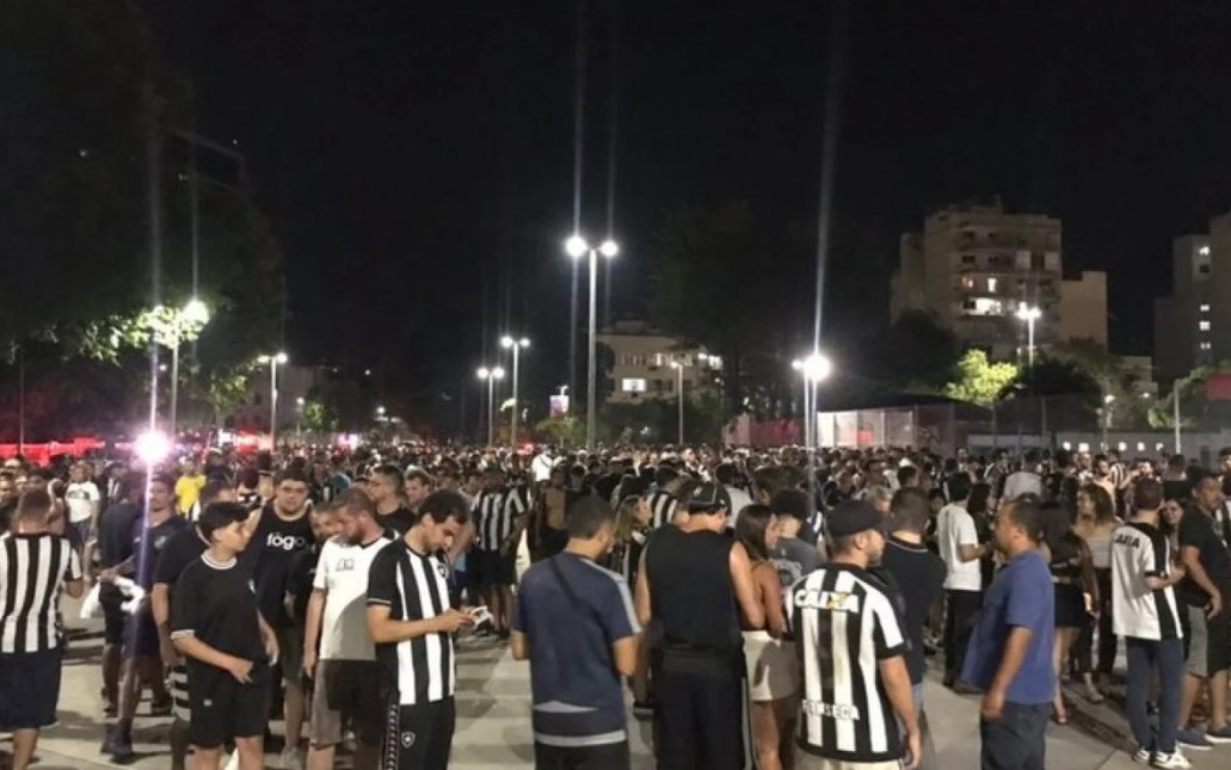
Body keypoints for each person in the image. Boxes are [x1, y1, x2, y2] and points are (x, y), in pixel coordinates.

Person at [635, 482, 764, 770]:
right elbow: (754, 616)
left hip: (670, 665)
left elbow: (642, 614)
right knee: (722, 753)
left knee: (676, 753)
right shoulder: (731, 550)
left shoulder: (654, 545)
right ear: (720, 512)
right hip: (718, 669)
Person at [785, 500, 921, 770]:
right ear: (861, 540)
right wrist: (912, 728)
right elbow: (893, 674)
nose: (884, 540)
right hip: (868, 745)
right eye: (879, 534)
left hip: (813, 736)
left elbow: (792, 662)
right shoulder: (875, 597)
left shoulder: (796, 592)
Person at [511, 495, 640, 770]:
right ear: (604, 533)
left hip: (547, 719)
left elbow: (519, 649)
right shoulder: (610, 584)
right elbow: (627, 664)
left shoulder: (532, 578)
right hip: (598, 723)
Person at [367, 489, 474, 770]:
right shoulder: (389, 561)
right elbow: (378, 629)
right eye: (446, 532)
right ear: (427, 519)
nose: (449, 543)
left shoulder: (438, 562)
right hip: (407, 696)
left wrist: (457, 619)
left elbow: (436, 615)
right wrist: (438, 623)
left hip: (443, 694)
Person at [171, 502, 279, 770]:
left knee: (252, 744)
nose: (245, 534)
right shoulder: (193, 577)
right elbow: (182, 638)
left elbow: (246, 604)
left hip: (251, 670)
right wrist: (230, 663)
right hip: (210, 678)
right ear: (217, 534)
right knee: (209, 750)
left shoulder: (243, 567)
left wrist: (266, 631)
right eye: (238, 529)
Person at [961, 499, 1055, 770]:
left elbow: (1021, 634)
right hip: (1026, 697)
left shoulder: (1025, 573)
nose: (993, 527)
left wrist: (999, 690)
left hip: (1016, 699)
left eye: (1000, 522)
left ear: (1018, 531)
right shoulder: (1024, 569)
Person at [302, 490, 393, 770]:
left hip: (374, 659)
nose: (337, 529)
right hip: (333, 657)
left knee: (369, 738)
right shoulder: (332, 547)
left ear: (363, 516)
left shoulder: (393, 549)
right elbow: (318, 596)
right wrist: (309, 649)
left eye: (344, 522)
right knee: (322, 738)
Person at [0, 489, 85, 770]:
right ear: (50, 513)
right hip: (42, 642)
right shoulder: (63, 549)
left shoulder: (2, 547)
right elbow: (76, 591)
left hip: (3, 641)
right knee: (30, 715)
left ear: (19, 512)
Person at [102, 472, 184, 760]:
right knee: (132, 666)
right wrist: (117, 570)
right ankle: (122, 731)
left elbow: (187, 574)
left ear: (172, 494)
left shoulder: (181, 530)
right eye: (150, 491)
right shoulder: (139, 524)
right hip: (139, 609)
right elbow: (139, 558)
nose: (153, 496)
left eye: (160, 491)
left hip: (172, 611)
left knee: (178, 669)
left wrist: (162, 597)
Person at [1112, 477, 1189, 769]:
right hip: (1158, 618)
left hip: (1130, 618)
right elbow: (1152, 580)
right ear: (1159, 503)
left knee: (1138, 683)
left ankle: (1145, 742)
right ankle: (1167, 748)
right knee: (1171, 685)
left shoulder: (1120, 534)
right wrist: (1177, 574)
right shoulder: (1153, 539)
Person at [245, 468, 314, 768]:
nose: (292, 496)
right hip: (259, 614)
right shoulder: (259, 517)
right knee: (255, 680)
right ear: (276, 489)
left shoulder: (311, 523)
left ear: (307, 494)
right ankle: (251, 739)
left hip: (293, 619)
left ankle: (290, 745)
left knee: (294, 681)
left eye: (299, 490)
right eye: (287, 489)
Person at [881, 488, 946, 770]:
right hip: (911, 659)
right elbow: (934, 617)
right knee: (910, 745)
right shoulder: (936, 566)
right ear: (927, 523)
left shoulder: (878, 557)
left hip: (873, 661)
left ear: (891, 515)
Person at [735, 505, 796, 770]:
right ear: (757, 531)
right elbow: (776, 622)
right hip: (765, 653)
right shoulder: (764, 571)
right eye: (772, 528)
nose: (777, 534)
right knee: (770, 746)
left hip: (739, 653)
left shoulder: (734, 563)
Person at [1175, 470, 1231, 745]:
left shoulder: (1216, 520)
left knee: (1219, 660)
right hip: (1202, 603)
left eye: (1218, 489)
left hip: (1221, 603)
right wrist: (1213, 592)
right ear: (1196, 492)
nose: (1216, 494)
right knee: (1197, 663)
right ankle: (1178, 725)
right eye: (1209, 489)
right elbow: (1189, 559)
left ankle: (1218, 721)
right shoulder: (1194, 520)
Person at [1041, 501, 1097, 726]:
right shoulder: (1079, 544)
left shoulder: (1044, 546)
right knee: (1063, 656)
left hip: (1054, 597)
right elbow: (1089, 574)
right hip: (1074, 597)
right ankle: (1057, 698)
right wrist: (1094, 600)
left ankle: (1058, 707)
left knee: (1053, 657)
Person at [95, 471, 144, 718]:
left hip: (108, 584)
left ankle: (111, 695)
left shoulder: (109, 513)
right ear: (136, 489)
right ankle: (126, 703)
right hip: (129, 585)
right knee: (132, 650)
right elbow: (137, 554)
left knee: (111, 641)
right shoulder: (137, 516)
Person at [935, 472, 985, 690]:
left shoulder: (944, 513)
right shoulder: (964, 518)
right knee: (964, 632)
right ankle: (963, 678)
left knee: (951, 630)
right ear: (969, 492)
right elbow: (967, 553)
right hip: (966, 581)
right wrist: (987, 548)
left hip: (949, 577)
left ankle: (950, 672)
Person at [1073, 483, 1119, 700]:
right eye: (1079, 499)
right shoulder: (1076, 529)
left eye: (1084, 499)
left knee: (1109, 629)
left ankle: (1105, 673)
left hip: (1109, 579)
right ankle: (1086, 675)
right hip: (1086, 581)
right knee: (1085, 629)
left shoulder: (1115, 526)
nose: (1080, 503)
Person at [369, 464, 415, 535]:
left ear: (392, 487)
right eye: (369, 483)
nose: (369, 488)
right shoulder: (366, 516)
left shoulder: (411, 522)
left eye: (376, 484)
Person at [65, 460, 102, 549]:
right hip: (72, 521)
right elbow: (67, 503)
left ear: (85, 474)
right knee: (75, 547)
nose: (78, 475)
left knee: (88, 546)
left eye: (80, 473)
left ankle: (85, 563)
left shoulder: (91, 487)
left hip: (85, 520)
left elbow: (95, 506)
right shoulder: (70, 487)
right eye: (75, 473)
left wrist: (93, 523)